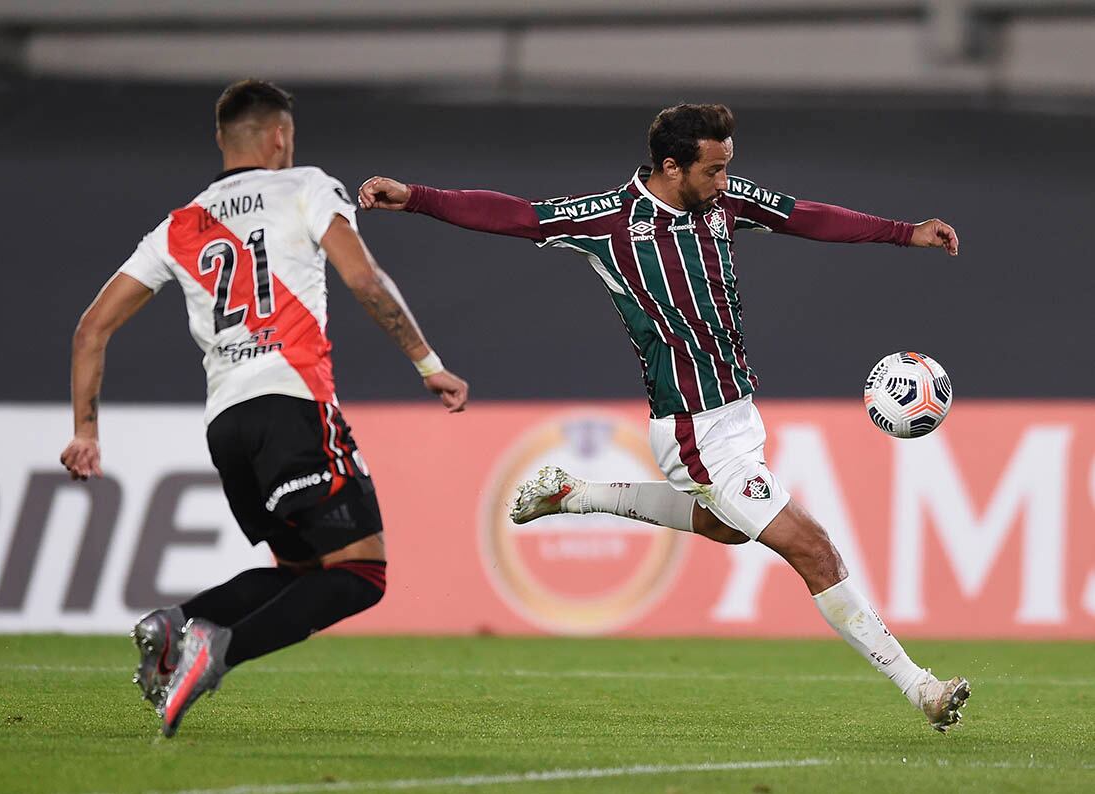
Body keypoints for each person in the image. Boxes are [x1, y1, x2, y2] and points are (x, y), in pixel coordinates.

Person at [358, 103, 969, 732]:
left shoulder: (723, 202)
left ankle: (575, 493)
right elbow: (512, 214)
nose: (725, 182)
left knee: (729, 528)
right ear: (671, 167)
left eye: (729, 168)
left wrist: (905, 232)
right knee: (813, 549)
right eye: (713, 170)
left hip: (738, 414)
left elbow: (806, 216)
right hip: (694, 426)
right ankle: (919, 687)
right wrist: (415, 198)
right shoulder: (609, 222)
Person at [59, 79, 468, 738]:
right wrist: (427, 363)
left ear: (223, 140)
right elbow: (364, 278)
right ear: (280, 136)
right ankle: (212, 652)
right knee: (361, 572)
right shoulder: (306, 184)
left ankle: (180, 622)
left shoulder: (178, 225)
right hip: (294, 404)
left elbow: (90, 330)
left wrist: (85, 431)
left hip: (228, 427)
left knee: (303, 571)